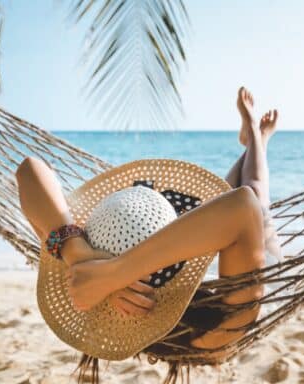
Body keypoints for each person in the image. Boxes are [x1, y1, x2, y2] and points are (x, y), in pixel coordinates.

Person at [15, 87, 277, 350]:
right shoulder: (217, 332)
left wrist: (79, 256)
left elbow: (29, 170)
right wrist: (111, 275)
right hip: (244, 258)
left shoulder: (80, 281)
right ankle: (256, 137)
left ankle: (255, 139)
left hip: (190, 233)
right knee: (255, 189)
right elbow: (245, 204)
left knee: (226, 192)